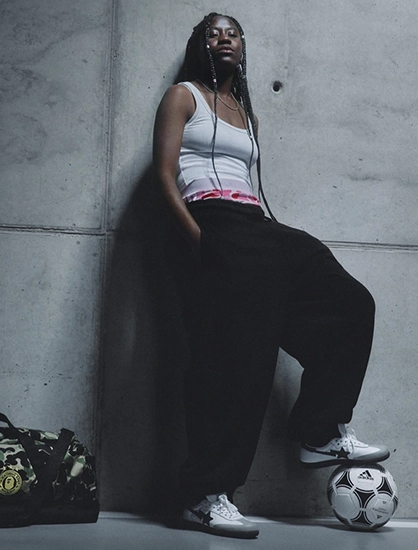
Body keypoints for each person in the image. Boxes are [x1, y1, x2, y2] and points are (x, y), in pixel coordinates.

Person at [152, 12, 390, 539]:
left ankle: (318, 431)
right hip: (211, 221)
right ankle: (204, 495)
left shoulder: (245, 112)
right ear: (198, 45)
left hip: (253, 225)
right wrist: (201, 243)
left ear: (243, 47)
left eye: (233, 33)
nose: (224, 39)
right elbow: (164, 176)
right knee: (238, 363)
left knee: (350, 304)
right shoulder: (182, 96)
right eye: (213, 32)